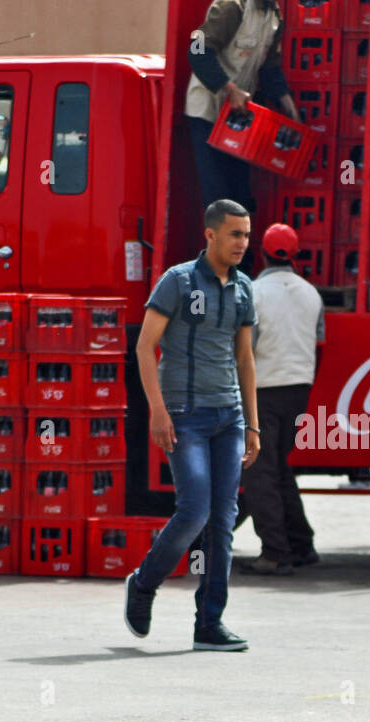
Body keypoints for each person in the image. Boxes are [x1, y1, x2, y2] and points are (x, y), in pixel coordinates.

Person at [125, 198, 261, 652]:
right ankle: (144, 583)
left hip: (229, 418)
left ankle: (210, 624)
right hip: (185, 416)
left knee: (222, 520)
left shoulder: (243, 288)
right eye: (235, 234)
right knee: (195, 510)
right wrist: (158, 411)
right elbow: (146, 348)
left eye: (246, 234)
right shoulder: (178, 282)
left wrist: (253, 426)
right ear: (210, 234)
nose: (243, 242)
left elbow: (245, 358)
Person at [239, 223, 323, 575]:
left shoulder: (254, 292)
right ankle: (302, 545)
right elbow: (319, 346)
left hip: (263, 390)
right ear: (296, 254)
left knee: (259, 471)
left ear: (261, 253)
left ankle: (275, 552)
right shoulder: (311, 294)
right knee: (279, 469)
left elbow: (246, 350)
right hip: (298, 390)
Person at [185, 0, 299, 215]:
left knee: (239, 196)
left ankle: (238, 248)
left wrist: (292, 112)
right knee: (217, 196)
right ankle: (219, 248)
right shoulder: (231, 7)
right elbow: (197, 49)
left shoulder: (274, 17)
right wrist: (230, 89)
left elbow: (270, 70)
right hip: (209, 112)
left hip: (238, 118)